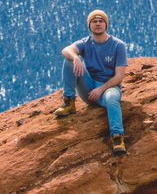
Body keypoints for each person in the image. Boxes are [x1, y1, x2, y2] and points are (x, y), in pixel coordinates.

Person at [54, 9, 129, 155]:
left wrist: (101, 89)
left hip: (109, 88)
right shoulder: (85, 43)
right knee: (69, 60)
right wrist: (76, 57)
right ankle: (69, 102)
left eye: (101, 21)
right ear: (90, 25)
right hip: (88, 87)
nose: (98, 24)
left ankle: (117, 137)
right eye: (94, 21)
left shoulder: (118, 45)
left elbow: (119, 76)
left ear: (106, 25)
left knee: (112, 99)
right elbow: (66, 50)